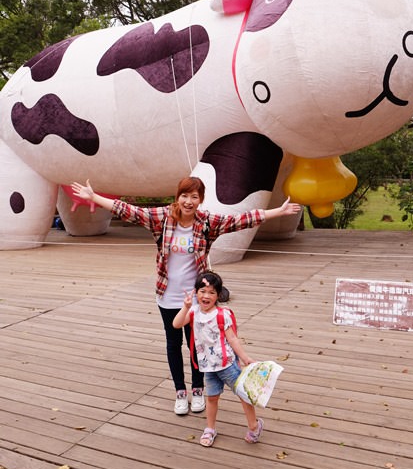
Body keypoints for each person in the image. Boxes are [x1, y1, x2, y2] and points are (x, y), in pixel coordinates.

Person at [71, 176, 300, 416]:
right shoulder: (162, 217)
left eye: (194, 197)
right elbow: (129, 211)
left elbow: (240, 220)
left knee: (196, 345)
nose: (188, 201)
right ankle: (180, 392)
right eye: (184, 195)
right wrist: (93, 197)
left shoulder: (207, 222)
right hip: (167, 295)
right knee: (173, 344)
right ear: (177, 196)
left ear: (200, 200)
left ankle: (198, 389)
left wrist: (278, 211)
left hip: (197, 299)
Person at [173, 271, 262, 447]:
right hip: (208, 366)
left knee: (243, 394)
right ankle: (210, 428)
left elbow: (233, 339)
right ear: (196, 292)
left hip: (226, 364)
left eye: (212, 292)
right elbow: (176, 324)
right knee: (212, 398)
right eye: (202, 291)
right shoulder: (193, 312)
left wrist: (245, 358)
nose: (206, 296)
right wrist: (185, 306)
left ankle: (254, 425)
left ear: (218, 295)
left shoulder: (223, 315)